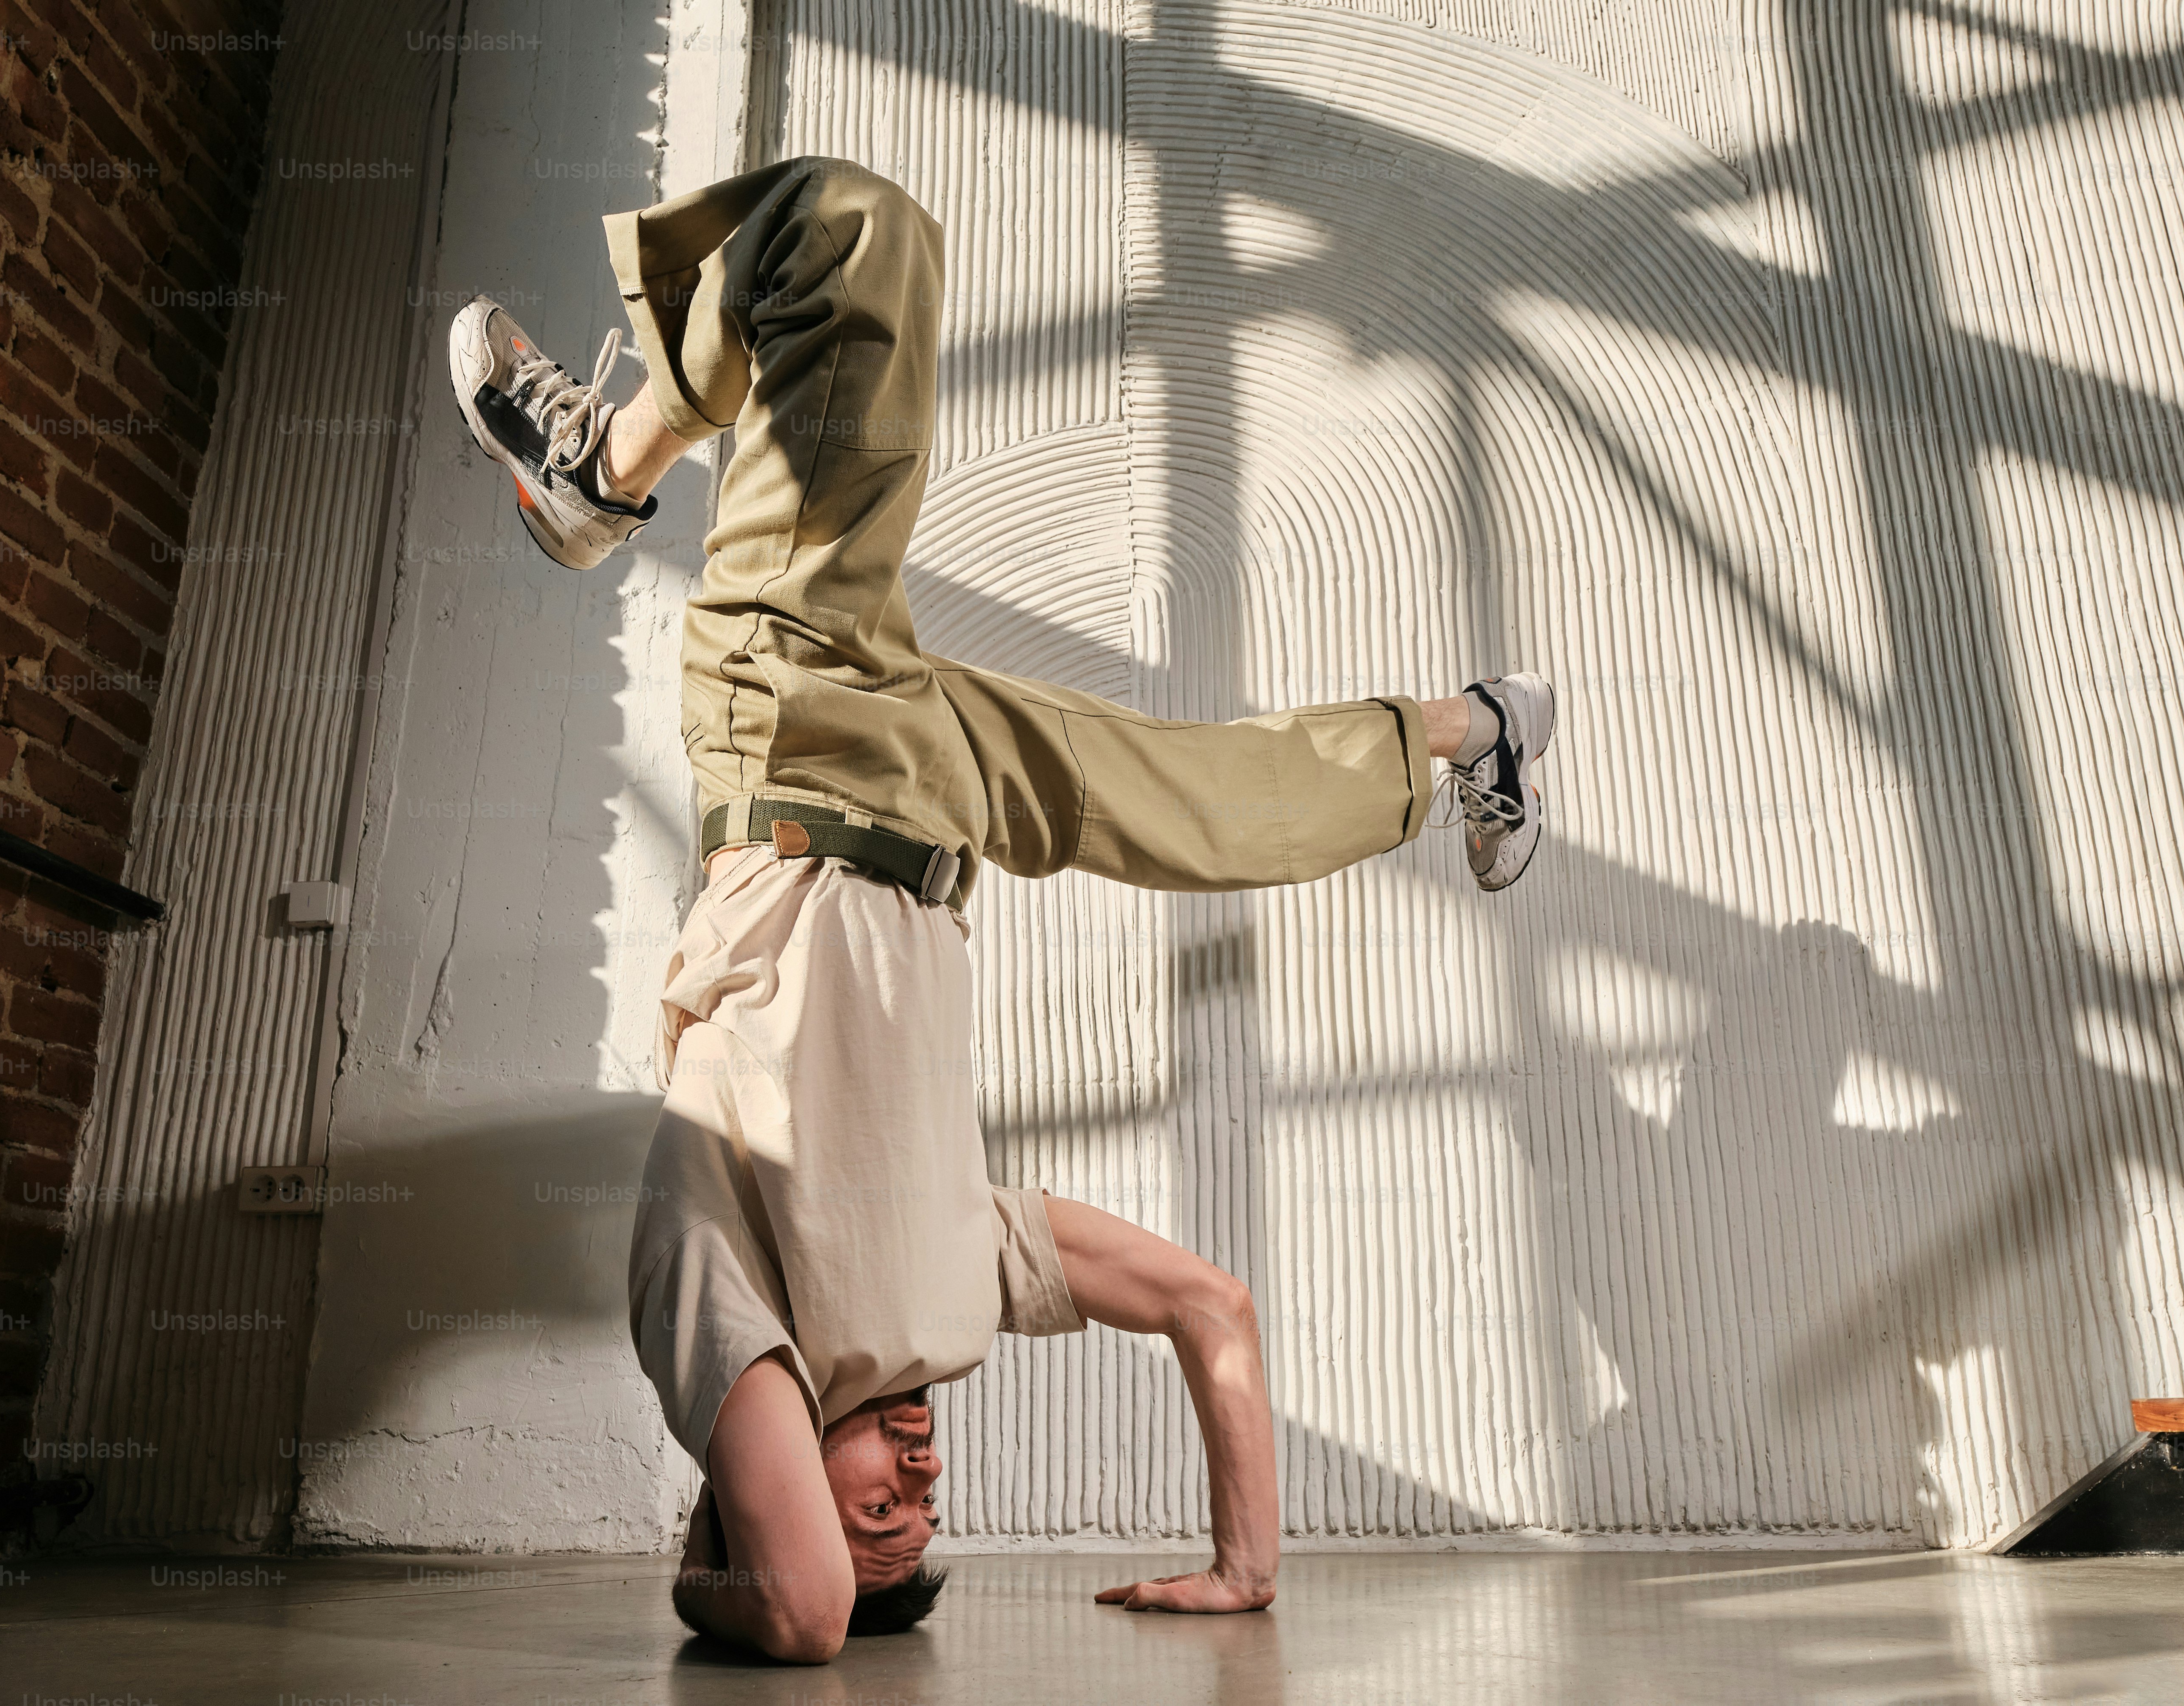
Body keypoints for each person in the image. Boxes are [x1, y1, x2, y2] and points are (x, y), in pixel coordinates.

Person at [445, 156, 1553, 1664]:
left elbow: (805, 1613)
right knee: (1203, 796)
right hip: (936, 812)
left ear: (748, 1494)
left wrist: (708, 1579)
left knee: (847, 232)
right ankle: (1470, 737)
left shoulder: (714, 1288)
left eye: (877, 1509)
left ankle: (602, 477)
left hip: (797, 737)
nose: (919, 1475)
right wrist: (1247, 1570)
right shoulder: (959, 1276)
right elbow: (1210, 1308)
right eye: (930, 1510)